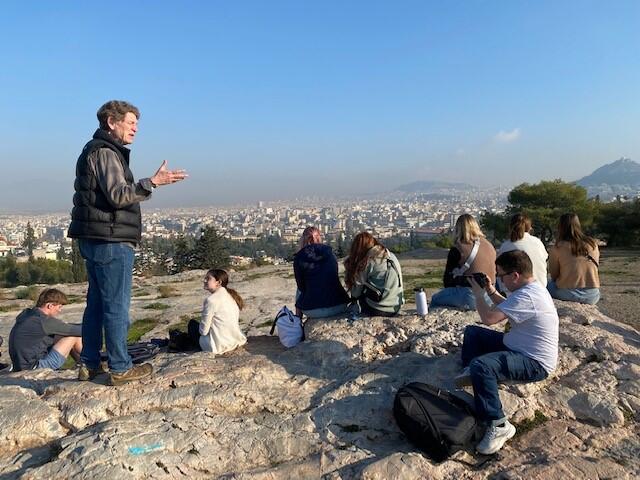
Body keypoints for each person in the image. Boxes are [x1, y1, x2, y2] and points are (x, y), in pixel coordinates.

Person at [67, 100, 187, 386]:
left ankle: (90, 364)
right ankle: (120, 367)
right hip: (111, 239)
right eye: (130, 122)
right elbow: (119, 195)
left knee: (95, 305)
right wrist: (152, 182)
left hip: (93, 238)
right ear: (111, 122)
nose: (135, 128)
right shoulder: (107, 153)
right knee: (116, 306)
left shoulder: (93, 150)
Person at [457, 250, 558, 455]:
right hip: (515, 346)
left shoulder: (527, 296)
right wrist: (490, 289)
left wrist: (478, 295)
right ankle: (472, 372)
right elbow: (507, 306)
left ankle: (499, 424)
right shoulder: (532, 289)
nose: (500, 280)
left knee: (482, 366)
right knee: (472, 333)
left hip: (533, 362)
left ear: (515, 276)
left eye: (501, 276)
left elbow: (489, 318)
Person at [430, 214, 496, 310]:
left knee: (435, 299)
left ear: (458, 229)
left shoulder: (458, 249)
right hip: (491, 296)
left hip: (470, 297)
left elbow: (447, 282)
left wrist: (458, 280)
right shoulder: (489, 246)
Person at [8, 289, 82, 372]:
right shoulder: (43, 321)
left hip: (19, 365)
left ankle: (83, 363)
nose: (60, 310)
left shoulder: (28, 314)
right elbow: (80, 331)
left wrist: (66, 326)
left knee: (62, 334)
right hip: (34, 367)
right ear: (49, 306)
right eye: (59, 307)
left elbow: (65, 328)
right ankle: (91, 363)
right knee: (73, 337)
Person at [293, 226, 349, 319]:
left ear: (303, 240)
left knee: (299, 290)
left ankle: (297, 323)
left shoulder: (299, 258)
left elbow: (301, 286)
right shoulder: (330, 253)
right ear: (319, 237)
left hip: (313, 310)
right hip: (339, 305)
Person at [187, 269, 247, 354]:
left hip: (219, 345)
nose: (204, 281)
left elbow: (203, 331)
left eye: (208, 279)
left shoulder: (211, 300)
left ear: (218, 282)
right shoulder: (231, 295)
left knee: (192, 325)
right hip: (234, 340)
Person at [344, 232, 404, 317]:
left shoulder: (368, 261)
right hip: (396, 306)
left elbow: (356, 293)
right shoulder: (391, 255)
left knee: (361, 291)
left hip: (379, 309)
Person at [547, 213, 600, 305]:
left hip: (568, 294)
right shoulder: (593, 244)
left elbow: (554, 275)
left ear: (560, 227)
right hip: (593, 295)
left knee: (544, 286)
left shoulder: (558, 248)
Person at [497, 213, 548, 288]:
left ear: (510, 227)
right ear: (530, 228)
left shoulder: (506, 246)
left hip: (514, 291)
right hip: (540, 287)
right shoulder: (538, 242)